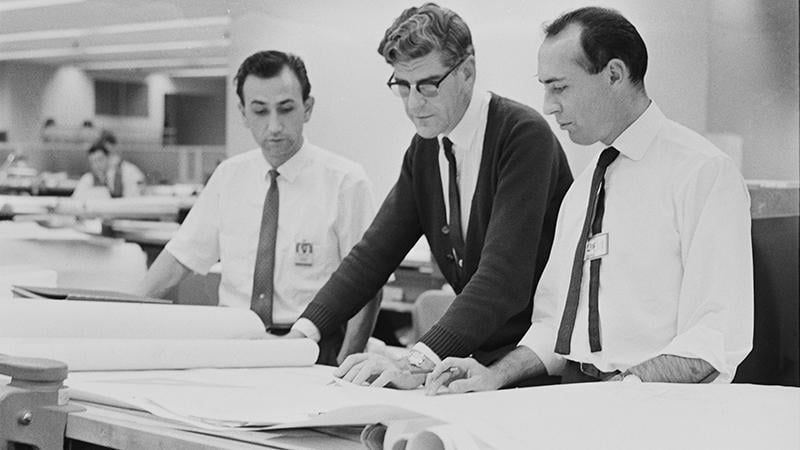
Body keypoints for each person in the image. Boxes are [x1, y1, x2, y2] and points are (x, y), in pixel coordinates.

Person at [426, 6, 753, 393]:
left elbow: (715, 336)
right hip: (578, 393)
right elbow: (554, 326)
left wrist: (619, 390)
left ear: (614, 75)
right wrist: (495, 374)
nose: (548, 106)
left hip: (656, 406)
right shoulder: (584, 188)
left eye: (559, 87)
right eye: (544, 88)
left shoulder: (703, 173)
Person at [286, 3, 573, 388]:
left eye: (428, 86)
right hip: (473, 363)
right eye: (402, 86)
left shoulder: (522, 136)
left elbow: (503, 279)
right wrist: (302, 335)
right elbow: (372, 255)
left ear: (467, 72)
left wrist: (415, 360)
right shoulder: (426, 149)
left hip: (534, 367)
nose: (413, 104)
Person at [138, 50, 379, 365]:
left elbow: (368, 289)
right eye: (260, 111)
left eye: (286, 109)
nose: (274, 126)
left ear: (307, 108)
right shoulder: (229, 177)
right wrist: (118, 318)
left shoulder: (346, 182)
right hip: (234, 345)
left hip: (314, 351)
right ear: (243, 113)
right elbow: (178, 261)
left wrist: (347, 365)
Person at [72, 143, 145, 198]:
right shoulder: (89, 178)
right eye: (92, 162)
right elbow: (75, 201)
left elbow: (134, 200)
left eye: (99, 160)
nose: (96, 165)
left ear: (108, 158)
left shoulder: (128, 172)